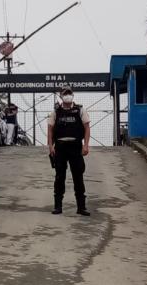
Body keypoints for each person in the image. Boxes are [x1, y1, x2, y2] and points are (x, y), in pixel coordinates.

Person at [47, 86, 91, 216]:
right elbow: (50, 129)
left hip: (75, 146)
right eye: (65, 94)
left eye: (69, 93)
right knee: (60, 177)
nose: (67, 95)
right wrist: (50, 147)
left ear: (73, 95)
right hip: (60, 147)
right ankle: (58, 206)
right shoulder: (56, 111)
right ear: (61, 96)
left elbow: (87, 128)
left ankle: (81, 207)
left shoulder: (80, 110)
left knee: (78, 177)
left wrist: (86, 145)